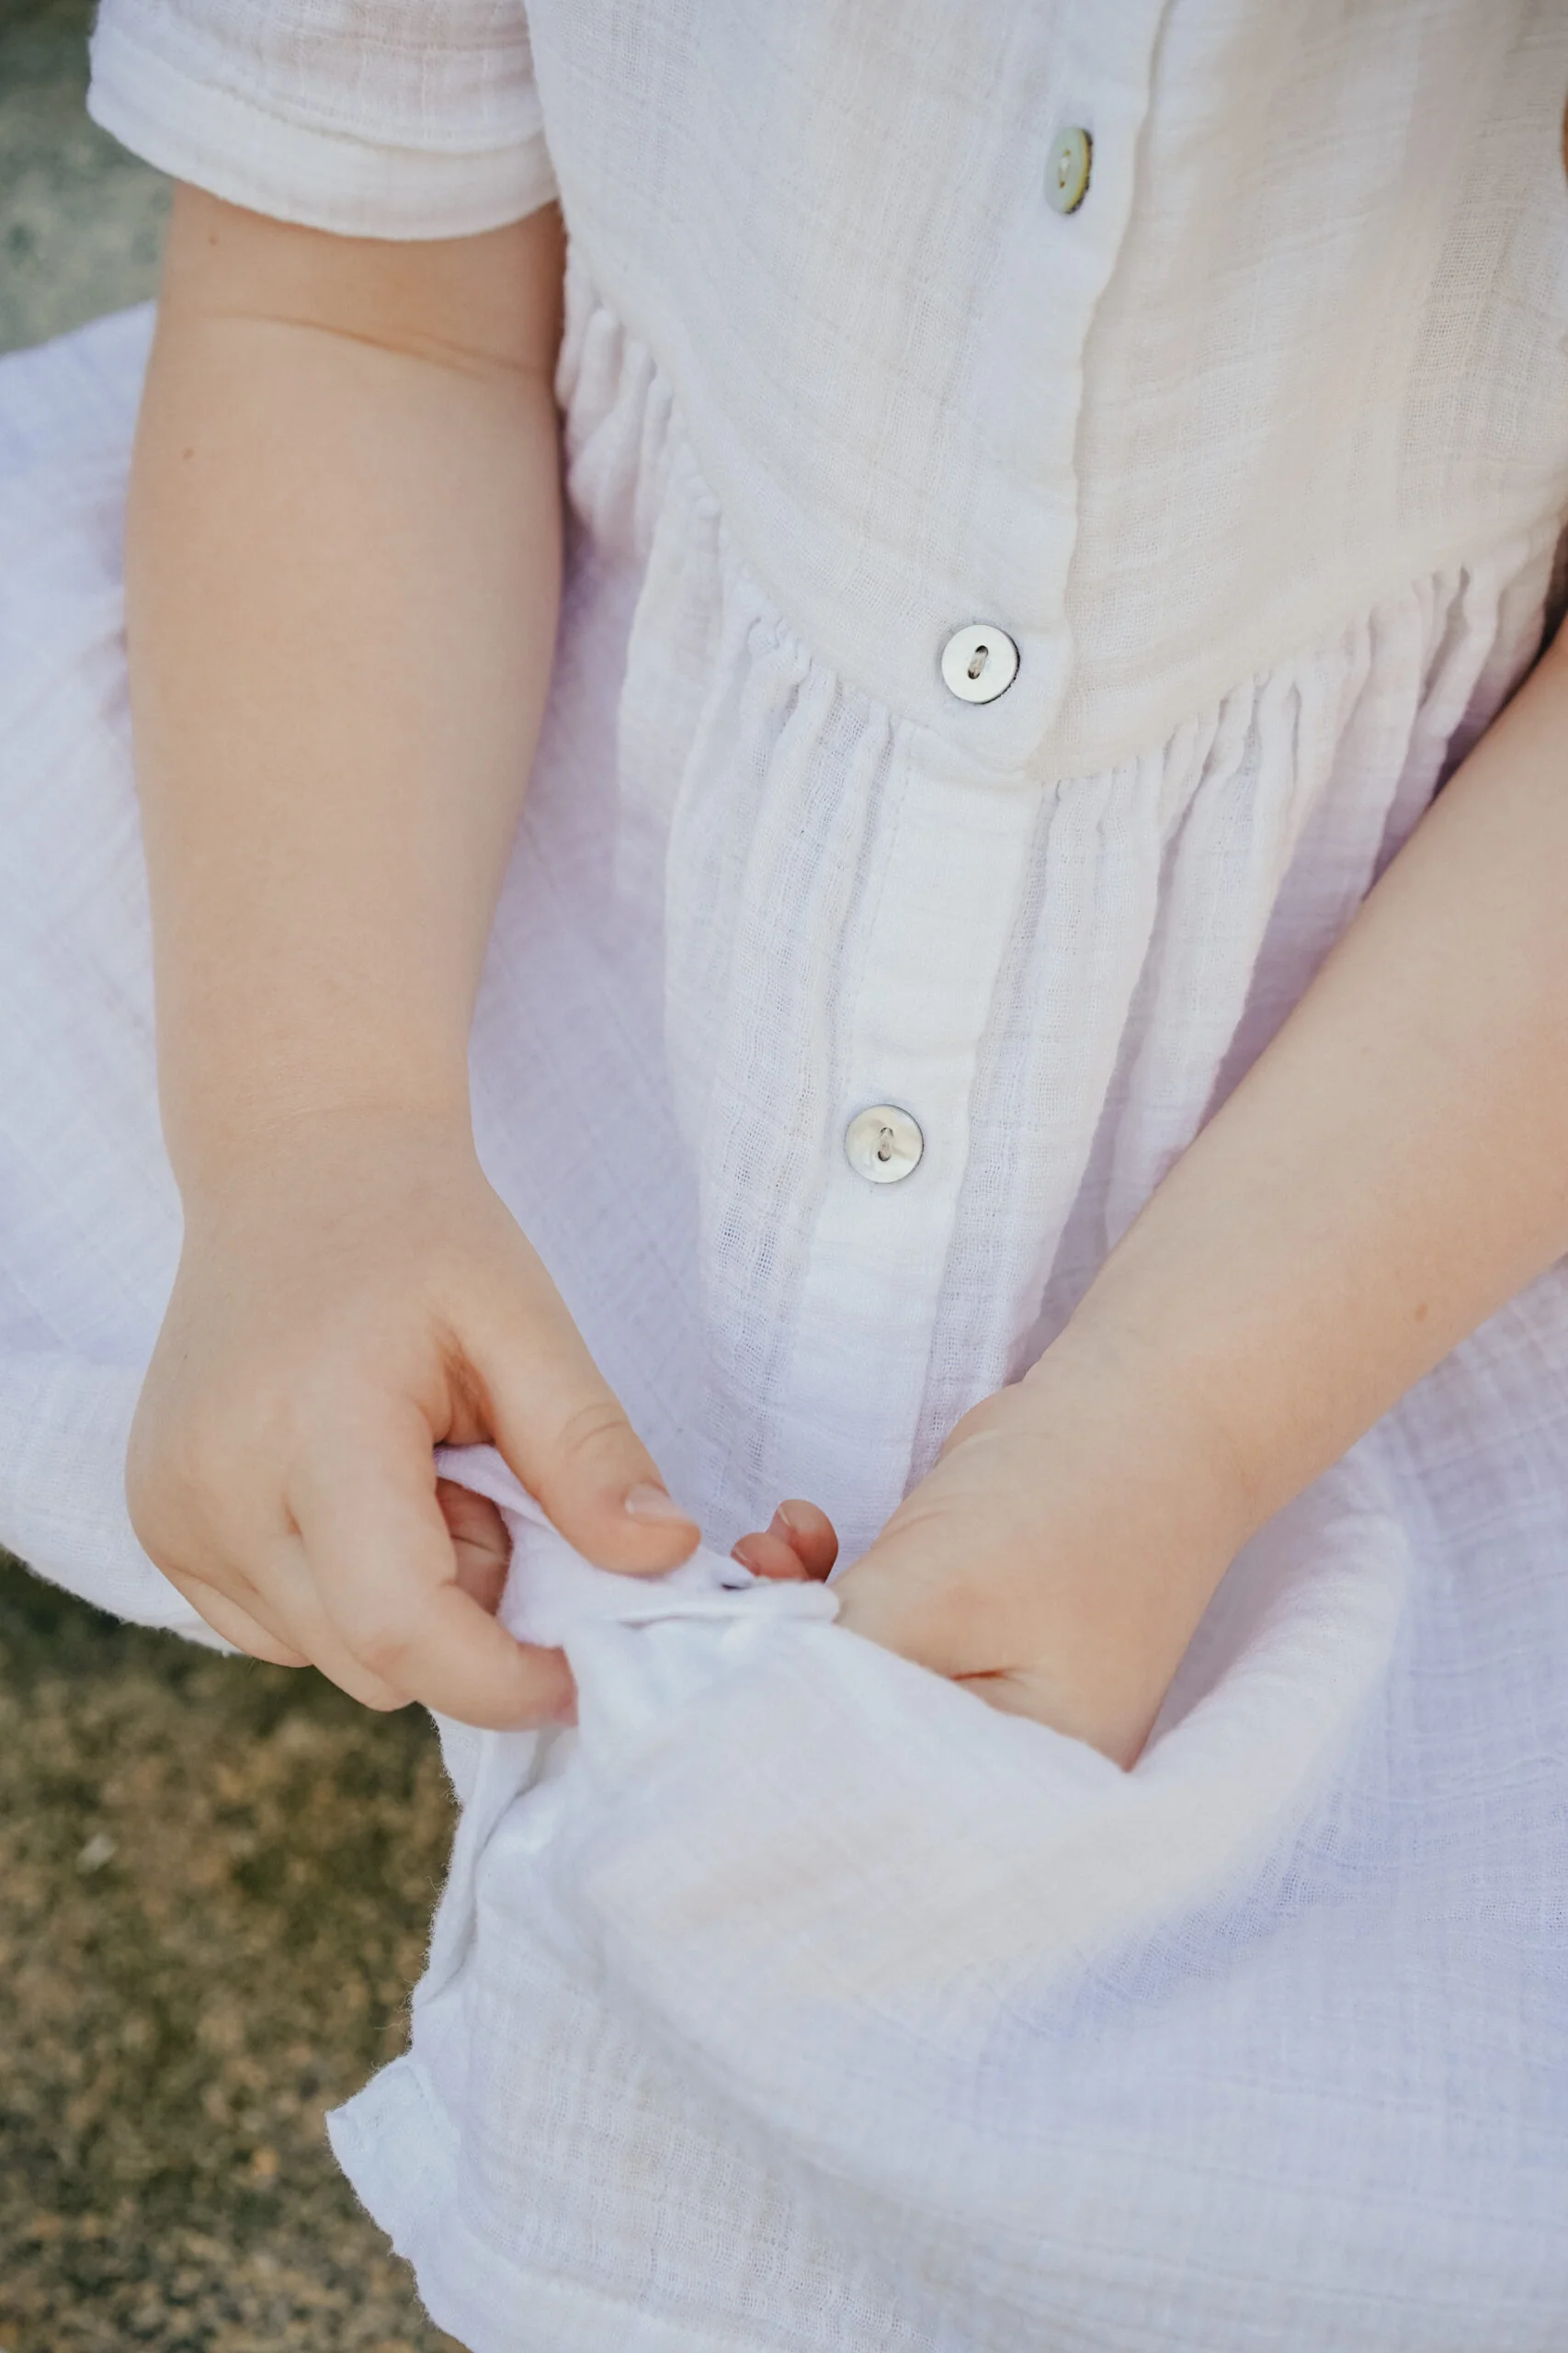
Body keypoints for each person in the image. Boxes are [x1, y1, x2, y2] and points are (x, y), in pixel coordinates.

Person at [2, 3, 1566, 2346]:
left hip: (1396, 1135)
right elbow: (357, 289)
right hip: (482, 786)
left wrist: (1184, 1422)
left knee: (1374, 2127)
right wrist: (312, 1136)